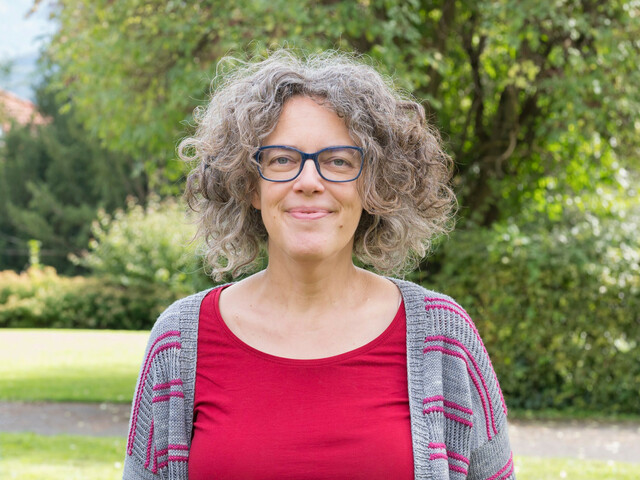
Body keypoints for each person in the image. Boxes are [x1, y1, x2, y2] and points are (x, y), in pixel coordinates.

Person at [123, 50, 514, 480]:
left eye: (339, 161)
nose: (309, 182)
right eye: (282, 160)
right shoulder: (180, 342)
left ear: (373, 186)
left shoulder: (443, 338)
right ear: (249, 185)